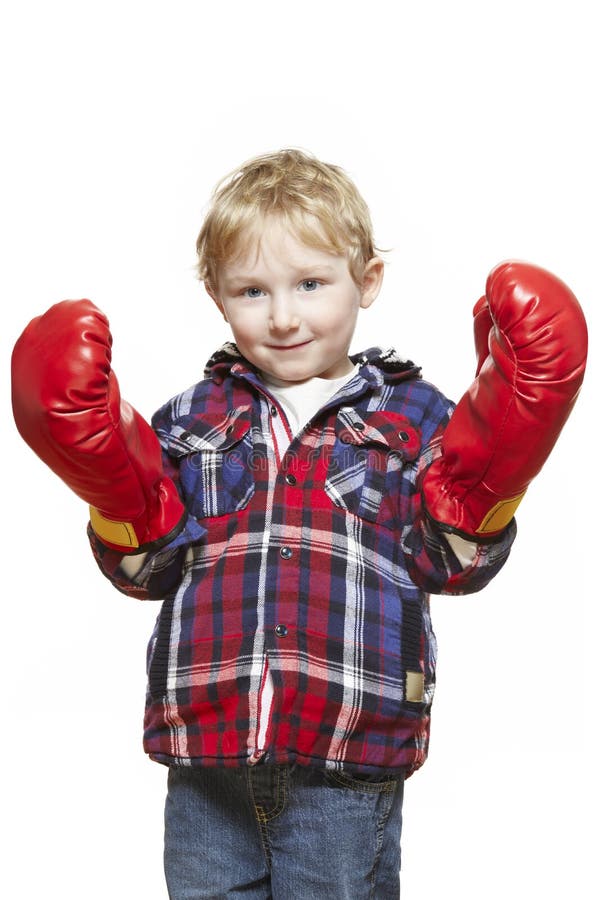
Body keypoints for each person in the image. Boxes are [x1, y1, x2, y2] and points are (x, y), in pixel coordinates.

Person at [11, 149, 587, 899]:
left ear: (367, 281)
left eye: (311, 284)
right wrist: (112, 495)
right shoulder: (190, 419)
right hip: (208, 744)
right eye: (253, 290)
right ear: (218, 297)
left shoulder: (416, 417)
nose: (283, 316)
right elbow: (148, 574)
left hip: (346, 746)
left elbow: (454, 567)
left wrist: (495, 477)